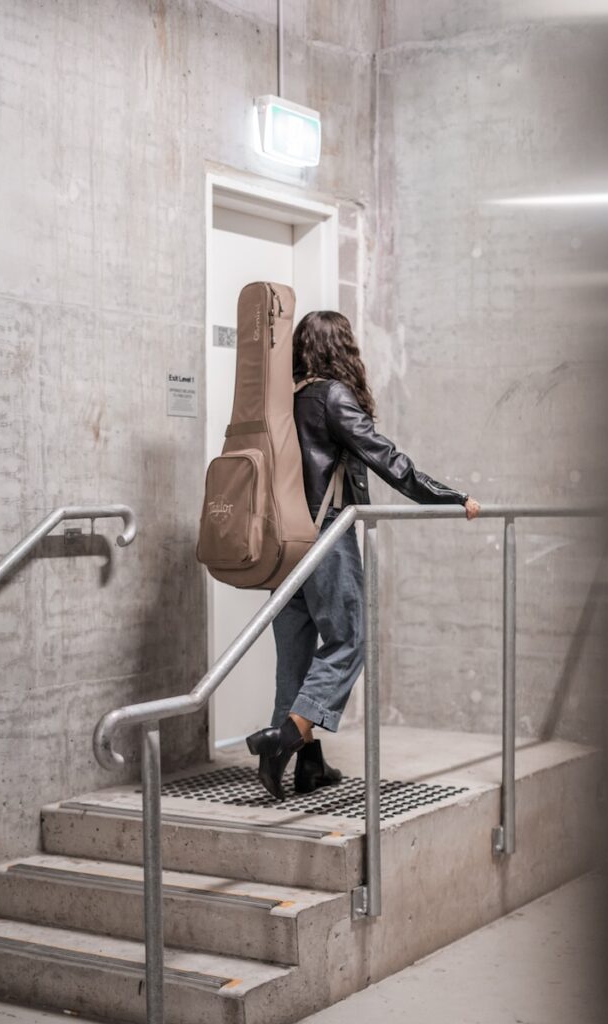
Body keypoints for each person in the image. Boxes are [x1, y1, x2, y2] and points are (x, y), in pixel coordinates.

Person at [246, 311, 481, 800]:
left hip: (282, 543)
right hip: (325, 535)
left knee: (295, 658)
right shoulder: (331, 396)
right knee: (350, 639)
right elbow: (387, 458)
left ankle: (307, 767)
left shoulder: (282, 397)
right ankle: (285, 740)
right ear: (342, 347)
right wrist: (450, 497)